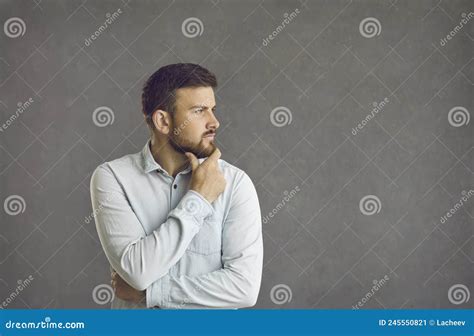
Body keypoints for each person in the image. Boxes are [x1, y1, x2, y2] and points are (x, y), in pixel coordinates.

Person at [90, 63, 263, 309]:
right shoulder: (112, 178)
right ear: (163, 121)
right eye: (199, 111)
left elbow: (243, 289)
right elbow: (138, 271)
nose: (214, 122)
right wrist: (199, 198)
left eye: (212, 109)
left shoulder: (235, 184)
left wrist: (150, 293)